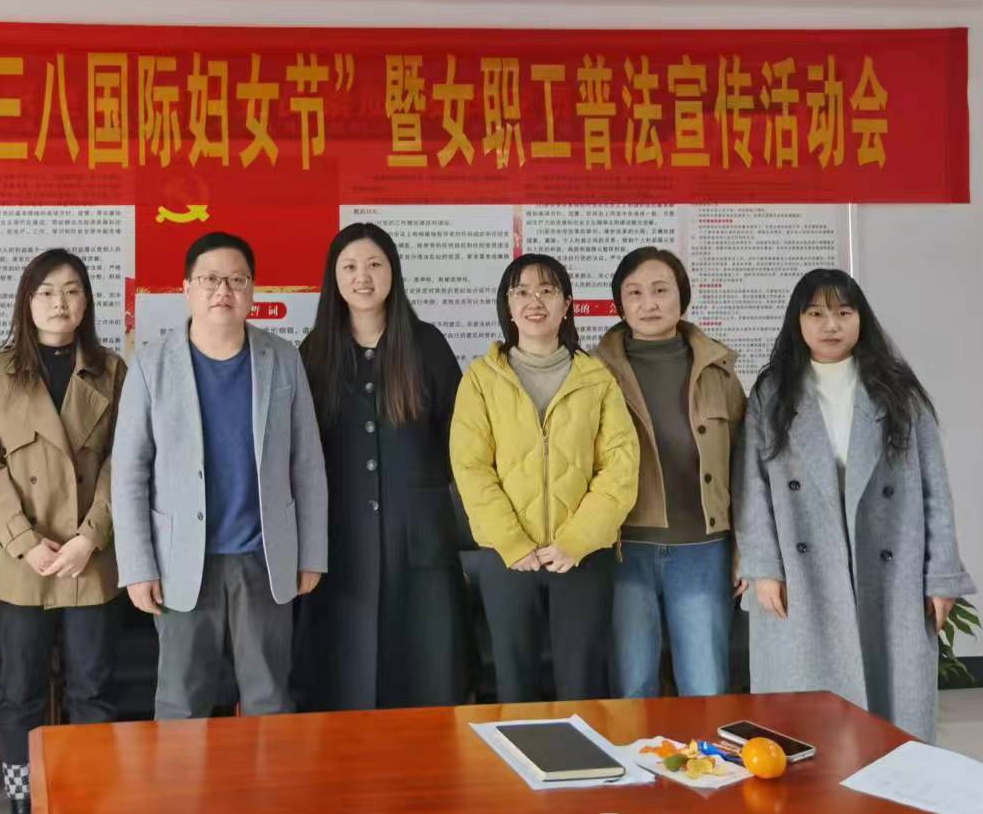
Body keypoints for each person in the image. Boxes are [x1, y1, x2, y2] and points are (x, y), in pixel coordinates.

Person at [733, 269, 974, 741]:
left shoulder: (898, 391)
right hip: (804, 569)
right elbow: (751, 486)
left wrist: (941, 575)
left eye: (844, 312)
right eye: (816, 314)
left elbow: (935, 488)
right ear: (797, 321)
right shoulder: (772, 394)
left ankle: (892, 779)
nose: (831, 325)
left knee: (894, 706)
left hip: (889, 564)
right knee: (803, 710)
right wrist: (764, 567)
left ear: (861, 319)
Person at [112, 231, 328, 720]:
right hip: (182, 561)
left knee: (270, 698)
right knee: (181, 701)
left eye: (236, 280)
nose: (223, 290)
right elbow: (128, 472)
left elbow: (308, 464)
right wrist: (138, 566)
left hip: (264, 557)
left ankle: (266, 777)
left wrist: (312, 553)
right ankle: (183, 778)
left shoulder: (283, 358)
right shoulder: (150, 365)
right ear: (186, 289)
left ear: (252, 291)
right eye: (210, 279)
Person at [0, 249, 128, 814]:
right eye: (46, 292)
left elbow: (123, 462)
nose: (59, 303)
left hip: (90, 557)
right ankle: (24, 808)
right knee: (19, 693)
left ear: (86, 301)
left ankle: (92, 802)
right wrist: (23, 541)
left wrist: (91, 535)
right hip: (22, 561)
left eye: (71, 290)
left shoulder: (112, 371)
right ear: (27, 301)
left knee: (93, 689)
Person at [450, 253, 638, 703]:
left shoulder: (597, 378)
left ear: (566, 305)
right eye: (521, 292)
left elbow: (620, 466)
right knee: (515, 686)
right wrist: (512, 542)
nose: (534, 301)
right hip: (507, 558)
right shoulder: (481, 379)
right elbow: (471, 467)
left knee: (584, 686)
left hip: (581, 558)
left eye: (547, 290)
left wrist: (576, 540)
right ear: (508, 306)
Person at [295, 222, 468, 710]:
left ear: (393, 271)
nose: (363, 277)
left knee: (426, 668)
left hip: (419, 538)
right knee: (340, 674)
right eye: (349, 266)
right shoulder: (315, 352)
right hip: (340, 538)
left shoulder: (427, 345)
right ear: (334, 278)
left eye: (375, 264)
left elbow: (462, 440)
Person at [592, 247, 748, 699]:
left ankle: (707, 753)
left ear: (682, 297)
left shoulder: (718, 370)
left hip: (703, 547)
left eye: (661, 290)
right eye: (635, 293)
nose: (649, 303)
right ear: (620, 304)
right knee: (632, 686)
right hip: (623, 548)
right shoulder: (593, 373)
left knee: (706, 685)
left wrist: (745, 546)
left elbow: (744, 464)